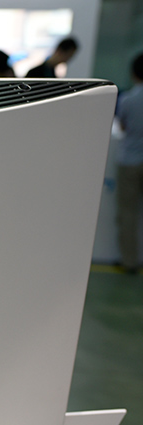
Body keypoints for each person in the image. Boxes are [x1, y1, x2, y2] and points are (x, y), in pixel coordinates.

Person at [115, 53, 143, 274]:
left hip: (130, 161)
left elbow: (122, 126)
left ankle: (130, 261)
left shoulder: (127, 99)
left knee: (128, 213)